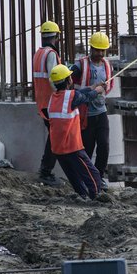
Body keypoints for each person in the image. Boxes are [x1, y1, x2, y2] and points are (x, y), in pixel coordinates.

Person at [46, 64, 106, 199]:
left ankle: (83, 197)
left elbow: (79, 94)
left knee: (74, 177)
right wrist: (98, 90)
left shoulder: (54, 98)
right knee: (93, 175)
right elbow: (86, 97)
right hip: (71, 147)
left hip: (57, 148)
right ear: (69, 80)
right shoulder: (71, 97)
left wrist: (92, 87)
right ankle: (98, 197)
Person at [71, 31, 114, 190]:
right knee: (87, 149)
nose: (100, 53)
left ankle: (99, 177)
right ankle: (85, 179)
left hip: (101, 112)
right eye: (97, 50)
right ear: (91, 48)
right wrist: (88, 91)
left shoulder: (107, 65)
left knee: (104, 145)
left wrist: (103, 92)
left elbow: (110, 84)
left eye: (102, 50)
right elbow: (69, 82)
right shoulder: (81, 64)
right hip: (85, 114)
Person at [32, 21, 62, 186]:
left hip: (42, 102)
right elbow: (53, 78)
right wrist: (62, 92)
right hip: (51, 102)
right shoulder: (51, 54)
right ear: (56, 36)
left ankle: (46, 170)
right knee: (55, 138)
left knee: (54, 137)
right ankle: (45, 171)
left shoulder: (38, 53)